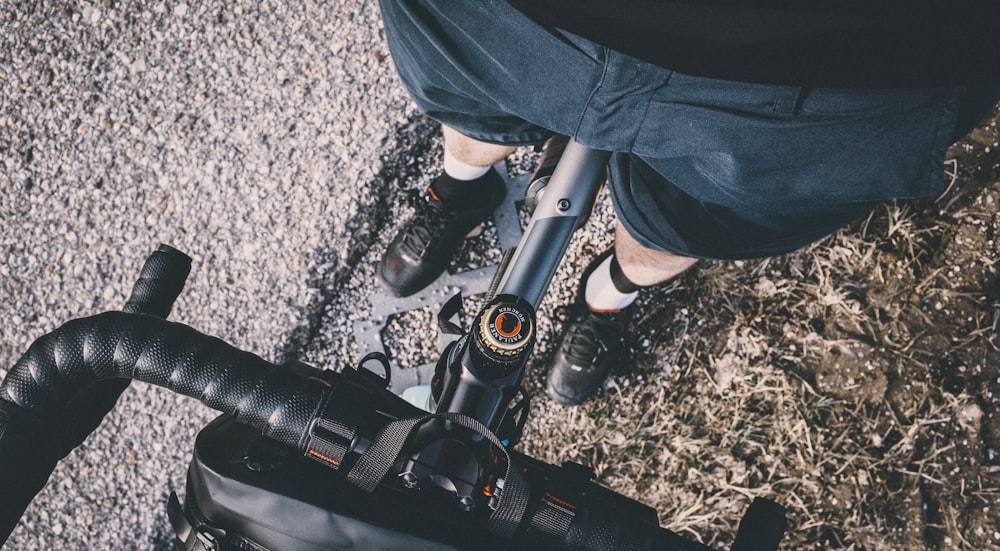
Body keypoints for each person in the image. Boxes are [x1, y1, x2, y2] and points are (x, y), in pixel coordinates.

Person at [375, 0, 1000, 405]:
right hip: (519, 16)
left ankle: (609, 293)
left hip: (831, 67)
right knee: (471, 110)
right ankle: (458, 188)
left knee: (676, 225)